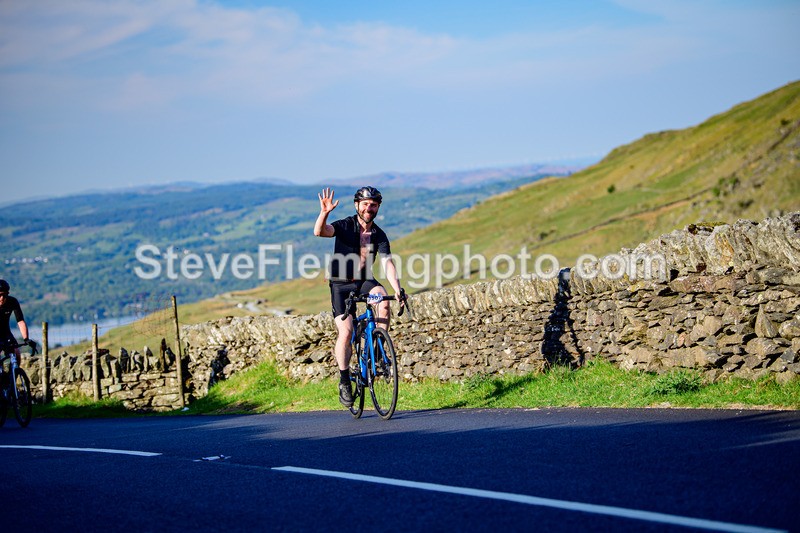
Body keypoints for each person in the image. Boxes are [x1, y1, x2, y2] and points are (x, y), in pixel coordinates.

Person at [314, 186, 405, 407]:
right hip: (340, 284)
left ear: (378, 207)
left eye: (373, 205)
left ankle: (378, 351)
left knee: (383, 300)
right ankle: (344, 380)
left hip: (364, 281)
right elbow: (320, 232)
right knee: (346, 332)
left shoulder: (379, 234)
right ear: (357, 205)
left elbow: (387, 263)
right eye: (365, 204)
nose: (369, 208)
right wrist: (325, 212)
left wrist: (398, 289)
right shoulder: (346, 225)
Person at [0, 279, 31, 364]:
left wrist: (26, 338)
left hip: (6, 333)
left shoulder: (12, 301)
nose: (2, 298)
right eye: (0, 295)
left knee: (16, 354)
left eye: (4, 295)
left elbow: (20, 321)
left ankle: (13, 374)